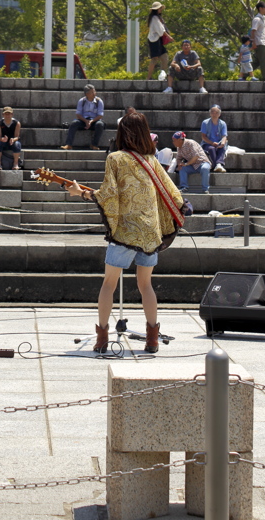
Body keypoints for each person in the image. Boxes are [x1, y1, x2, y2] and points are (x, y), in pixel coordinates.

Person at [67, 110, 184, 354]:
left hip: (125, 233)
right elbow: (173, 192)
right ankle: (152, 338)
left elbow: (108, 195)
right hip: (150, 234)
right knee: (146, 285)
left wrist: (82, 193)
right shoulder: (152, 160)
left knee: (109, 284)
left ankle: (101, 338)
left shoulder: (115, 159)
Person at [61, 84, 105, 150]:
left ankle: (94, 144)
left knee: (100, 124)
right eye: (92, 92)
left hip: (95, 121)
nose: (94, 94)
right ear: (87, 94)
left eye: (94, 91)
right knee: (74, 123)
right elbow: (78, 114)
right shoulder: (82, 101)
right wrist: (85, 121)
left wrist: (91, 121)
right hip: (83, 120)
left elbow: (100, 115)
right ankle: (69, 144)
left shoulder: (99, 101)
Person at [200, 105, 228, 172]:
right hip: (208, 143)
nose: (214, 114)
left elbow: (224, 136)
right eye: (212, 112)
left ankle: (218, 164)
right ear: (210, 113)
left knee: (222, 148)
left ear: (219, 114)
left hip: (218, 142)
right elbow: (203, 136)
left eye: (216, 112)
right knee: (211, 148)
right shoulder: (205, 123)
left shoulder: (223, 123)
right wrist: (212, 143)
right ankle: (217, 165)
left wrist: (223, 143)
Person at [146, 2, 169, 80]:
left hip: (158, 40)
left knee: (164, 57)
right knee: (154, 59)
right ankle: (149, 77)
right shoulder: (155, 18)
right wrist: (169, 37)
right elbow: (161, 30)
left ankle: (163, 75)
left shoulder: (157, 17)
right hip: (154, 40)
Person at [250, 1, 265, 81]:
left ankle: (243, 74)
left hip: (262, 41)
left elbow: (260, 32)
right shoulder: (257, 19)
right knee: (263, 61)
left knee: (257, 62)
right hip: (259, 43)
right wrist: (253, 42)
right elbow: (253, 31)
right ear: (260, 8)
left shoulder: (262, 19)